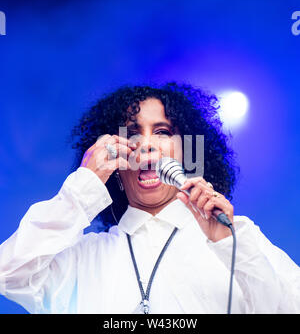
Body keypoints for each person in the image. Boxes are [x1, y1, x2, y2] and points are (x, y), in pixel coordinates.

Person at [0, 82, 299, 314]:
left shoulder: (235, 238)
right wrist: (84, 186)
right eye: (131, 134)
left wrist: (229, 246)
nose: (146, 145)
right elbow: (8, 273)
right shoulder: (83, 256)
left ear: (188, 153)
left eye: (163, 132)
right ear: (115, 160)